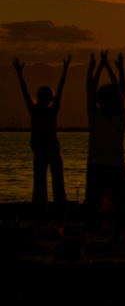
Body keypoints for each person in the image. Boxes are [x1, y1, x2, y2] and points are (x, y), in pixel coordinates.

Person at [14, 55, 70, 231]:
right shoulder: (49, 110)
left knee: (40, 186)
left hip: (44, 149)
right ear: (49, 98)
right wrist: (65, 69)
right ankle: (57, 218)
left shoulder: (36, 110)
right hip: (50, 148)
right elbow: (60, 90)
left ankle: (43, 219)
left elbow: (25, 92)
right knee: (55, 185)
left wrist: (19, 74)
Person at [85, 51, 125, 256]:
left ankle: (88, 247)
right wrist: (117, 70)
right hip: (116, 166)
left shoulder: (94, 116)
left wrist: (96, 68)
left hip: (97, 166)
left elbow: (90, 91)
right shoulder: (120, 117)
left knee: (92, 208)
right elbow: (121, 93)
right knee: (123, 208)